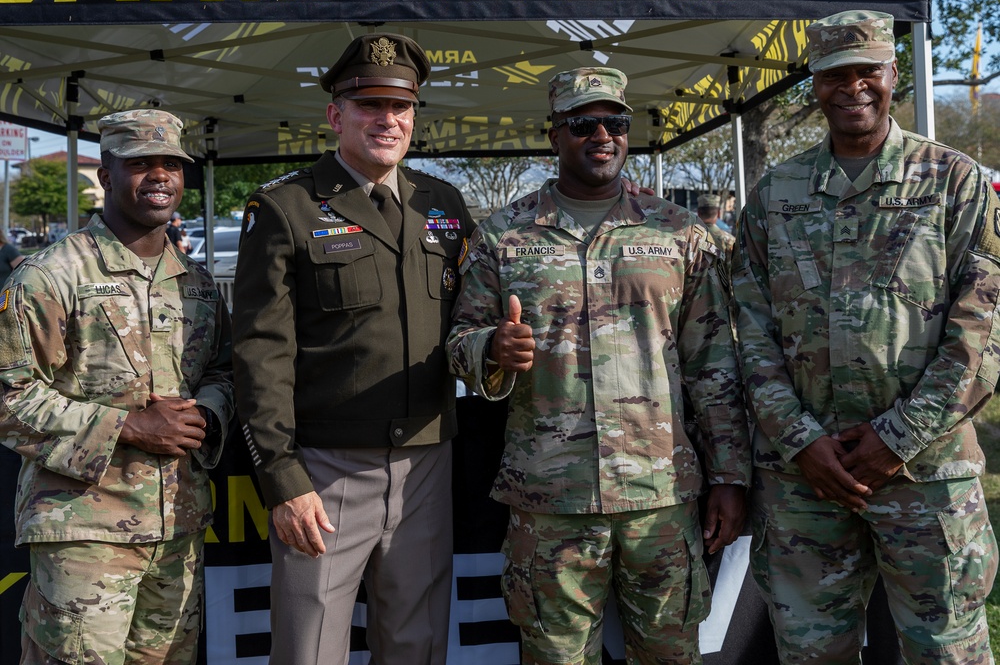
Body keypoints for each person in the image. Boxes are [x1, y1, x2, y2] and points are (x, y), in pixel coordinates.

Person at [447, 67, 751, 664]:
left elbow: (713, 364)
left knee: (670, 655)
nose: (602, 136)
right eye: (583, 124)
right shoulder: (504, 235)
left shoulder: (679, 232)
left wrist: (731, 476)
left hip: (659, 496)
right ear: (554, 135)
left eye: (615, 123)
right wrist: (492, 350)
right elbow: (459, 340)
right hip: (549, 499)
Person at [732, 10, 1000, 664]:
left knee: (946, 652)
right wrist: (799, 440)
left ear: (892, 74)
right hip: (805, 481)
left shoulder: (956, 183)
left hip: (925, 471)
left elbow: (984, 327)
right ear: (814, 85)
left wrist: (897, 437)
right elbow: (746, 327)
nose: (853, 87)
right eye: (835, 75)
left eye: (868, 71)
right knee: (811, 652)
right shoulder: (776, 193)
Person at [232, 33, 475, 665]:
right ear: (336, 114)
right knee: (309, 651)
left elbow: (468, 327)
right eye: (369, 106)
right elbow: (260, 352)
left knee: (416, 648)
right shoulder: (285, 208)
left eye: (400, 108)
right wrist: (283, 479)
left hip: (426, 464)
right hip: (326, 472)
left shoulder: (442, 205)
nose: (387, 120)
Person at [0, 109, 234, 664]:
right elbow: (9, 396)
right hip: (84, 532)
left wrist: (206, 413)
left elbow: (223, 370)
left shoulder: (196, 282)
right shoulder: (50, 274)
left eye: (171, 164)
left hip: (177, 527)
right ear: (105, 175)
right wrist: (129, 426)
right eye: (140, 164)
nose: (160, 176)